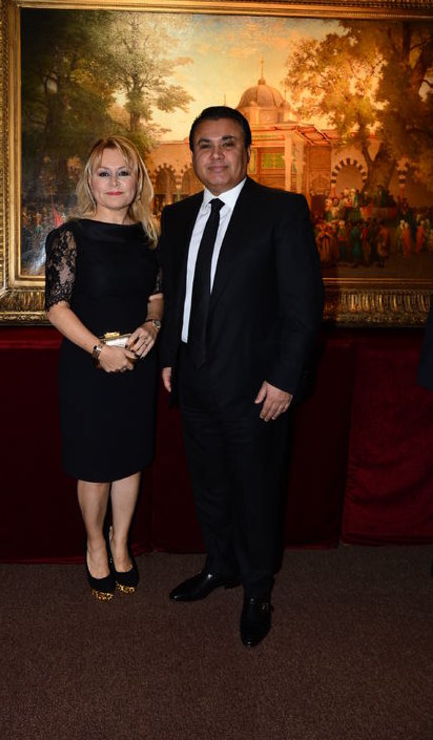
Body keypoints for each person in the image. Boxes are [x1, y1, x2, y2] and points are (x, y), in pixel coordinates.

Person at [159, 106, 323, 647]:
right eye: (204, 145)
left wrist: (285, 379)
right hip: (193, 380)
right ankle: (220, 565)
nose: (216, 155)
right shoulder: (177, 217)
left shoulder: (281, 211)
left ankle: (257, 590)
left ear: (246, 152)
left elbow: (303, 306)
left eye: (227, 143)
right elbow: (176, 295)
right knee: (208, 485)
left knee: (256, 490)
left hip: (257, 388)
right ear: (192, 154)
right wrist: (168, 357)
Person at [45, 136, 163, 602]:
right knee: (95, 465)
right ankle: (95, 543)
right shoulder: (70, 236)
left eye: (123, 172)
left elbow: (156, 297)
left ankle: (120, 543)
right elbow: (56, 307)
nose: (114, 182)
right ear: (90, 182)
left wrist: (153, 325)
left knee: (130, 460)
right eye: (104, 173)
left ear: (138, 182)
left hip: (136, 365)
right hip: (87, 368)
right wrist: (99, 351)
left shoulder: (150, 238)